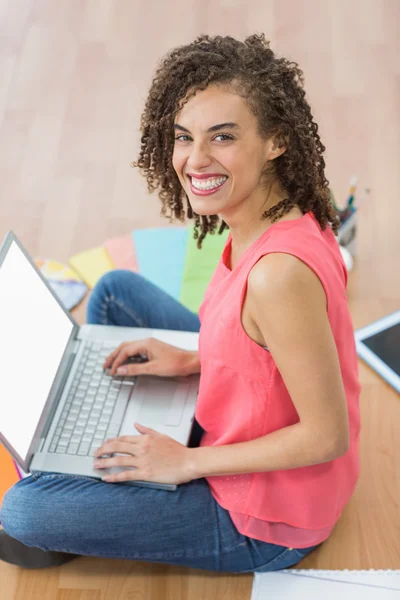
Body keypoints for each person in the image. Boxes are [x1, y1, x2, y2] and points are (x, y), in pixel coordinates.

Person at [0, 33, 361, 573]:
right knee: (116, 292)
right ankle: (105, 453)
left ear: (277, 140)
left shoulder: (277, 275)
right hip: (236, 425)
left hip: (265, 520)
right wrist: (196, 361)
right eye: (183, 136)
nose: (195, 160)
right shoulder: (273, 214)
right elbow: (264, 352)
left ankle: (106, 481)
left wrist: (186, 462)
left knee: (23, 512)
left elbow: (327, 434)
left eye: (222, 137)